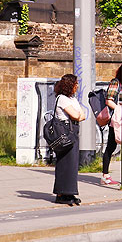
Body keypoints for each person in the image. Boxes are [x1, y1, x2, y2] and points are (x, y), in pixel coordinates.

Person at [52, 74, 86, 206]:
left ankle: (70, 192)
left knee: (72, 164)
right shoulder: (62, 99)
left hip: (72, 133)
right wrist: (78, 115)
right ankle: (61, 193)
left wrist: (79, 115)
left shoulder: (72, 99)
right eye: (75, 84)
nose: (77, 86)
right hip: (64, 133)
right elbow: (77, 115)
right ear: (69, 85)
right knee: (65, 163)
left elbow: (82, 114)